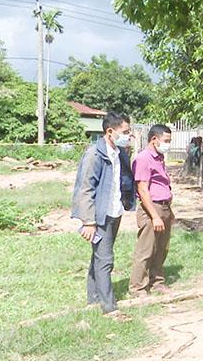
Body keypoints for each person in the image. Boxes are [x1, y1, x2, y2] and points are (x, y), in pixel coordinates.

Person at [71, 111, 136, 319]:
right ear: (110, 131)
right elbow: (85, 189)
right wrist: (88, 221)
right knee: (105, 259)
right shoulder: (94, 154)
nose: (129, 135)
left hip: (114, 212)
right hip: (100, 216)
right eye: (125, 132)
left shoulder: (119, 153)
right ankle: (109, 308)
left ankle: (94, 298)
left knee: (98, 256)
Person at [129, 124, 175, 297]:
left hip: (164, 206)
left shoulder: (159, 157)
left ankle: (157, 281)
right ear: (154, 139)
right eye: (166, 141)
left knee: (161, 248)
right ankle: (138, 287)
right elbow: (142, 189)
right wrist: (154, 216)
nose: (168, 144)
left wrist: (169, 211)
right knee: (146, 249)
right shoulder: (143, 158)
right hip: (151, 208)